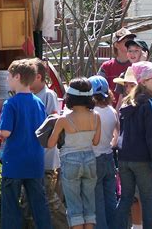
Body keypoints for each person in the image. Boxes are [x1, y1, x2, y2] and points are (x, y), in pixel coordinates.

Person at [0, 59, 52, 229]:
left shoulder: (10, 103)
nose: (7, 79)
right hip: (35, 161)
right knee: (39, 204)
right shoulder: (39, 102)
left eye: (9, 76)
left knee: (10, 205)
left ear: (18, 77)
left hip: (14, 163)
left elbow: (5, 132)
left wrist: (0, 133)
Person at [116, 61, 152, 229]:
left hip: (124, 159)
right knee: (147, 199)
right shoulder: (151, 103)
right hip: (142, 161)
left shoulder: (128, 102)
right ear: (143, 82)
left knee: (126, 198)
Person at [48, 77, 101, 229]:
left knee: (74, 206)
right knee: (89, 204)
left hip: (70, 161)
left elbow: (51, 143)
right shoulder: (96, 116)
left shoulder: (64, 119)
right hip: (90, 159)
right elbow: (95, 142)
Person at [27, 58, 67, 229]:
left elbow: (51, 124)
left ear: (38, 77)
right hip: (34, 157)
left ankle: (65, 225)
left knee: (51, 199)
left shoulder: (48, 95)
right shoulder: (30, 94)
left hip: (47, 158)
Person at [89, 75, 118, 229]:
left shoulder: (92, 114)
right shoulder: (112, 111)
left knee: (97, 201)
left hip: (94, 157)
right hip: (109, 157)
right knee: (111, 198)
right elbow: (116, 135)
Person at [98, 28, 136, 104]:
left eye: (131, 41)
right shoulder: (106, 66)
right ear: (116, 45)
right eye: (126, 42)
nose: (130, 44)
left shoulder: (136, 66)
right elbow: (99, 88)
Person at [114, 39, 149, 110]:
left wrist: (141, 63)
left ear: (144, 54)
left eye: (136, 50)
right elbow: (120, 102)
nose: (132, 54)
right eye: (130, 51)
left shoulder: (151, 76)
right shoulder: (124, 75)